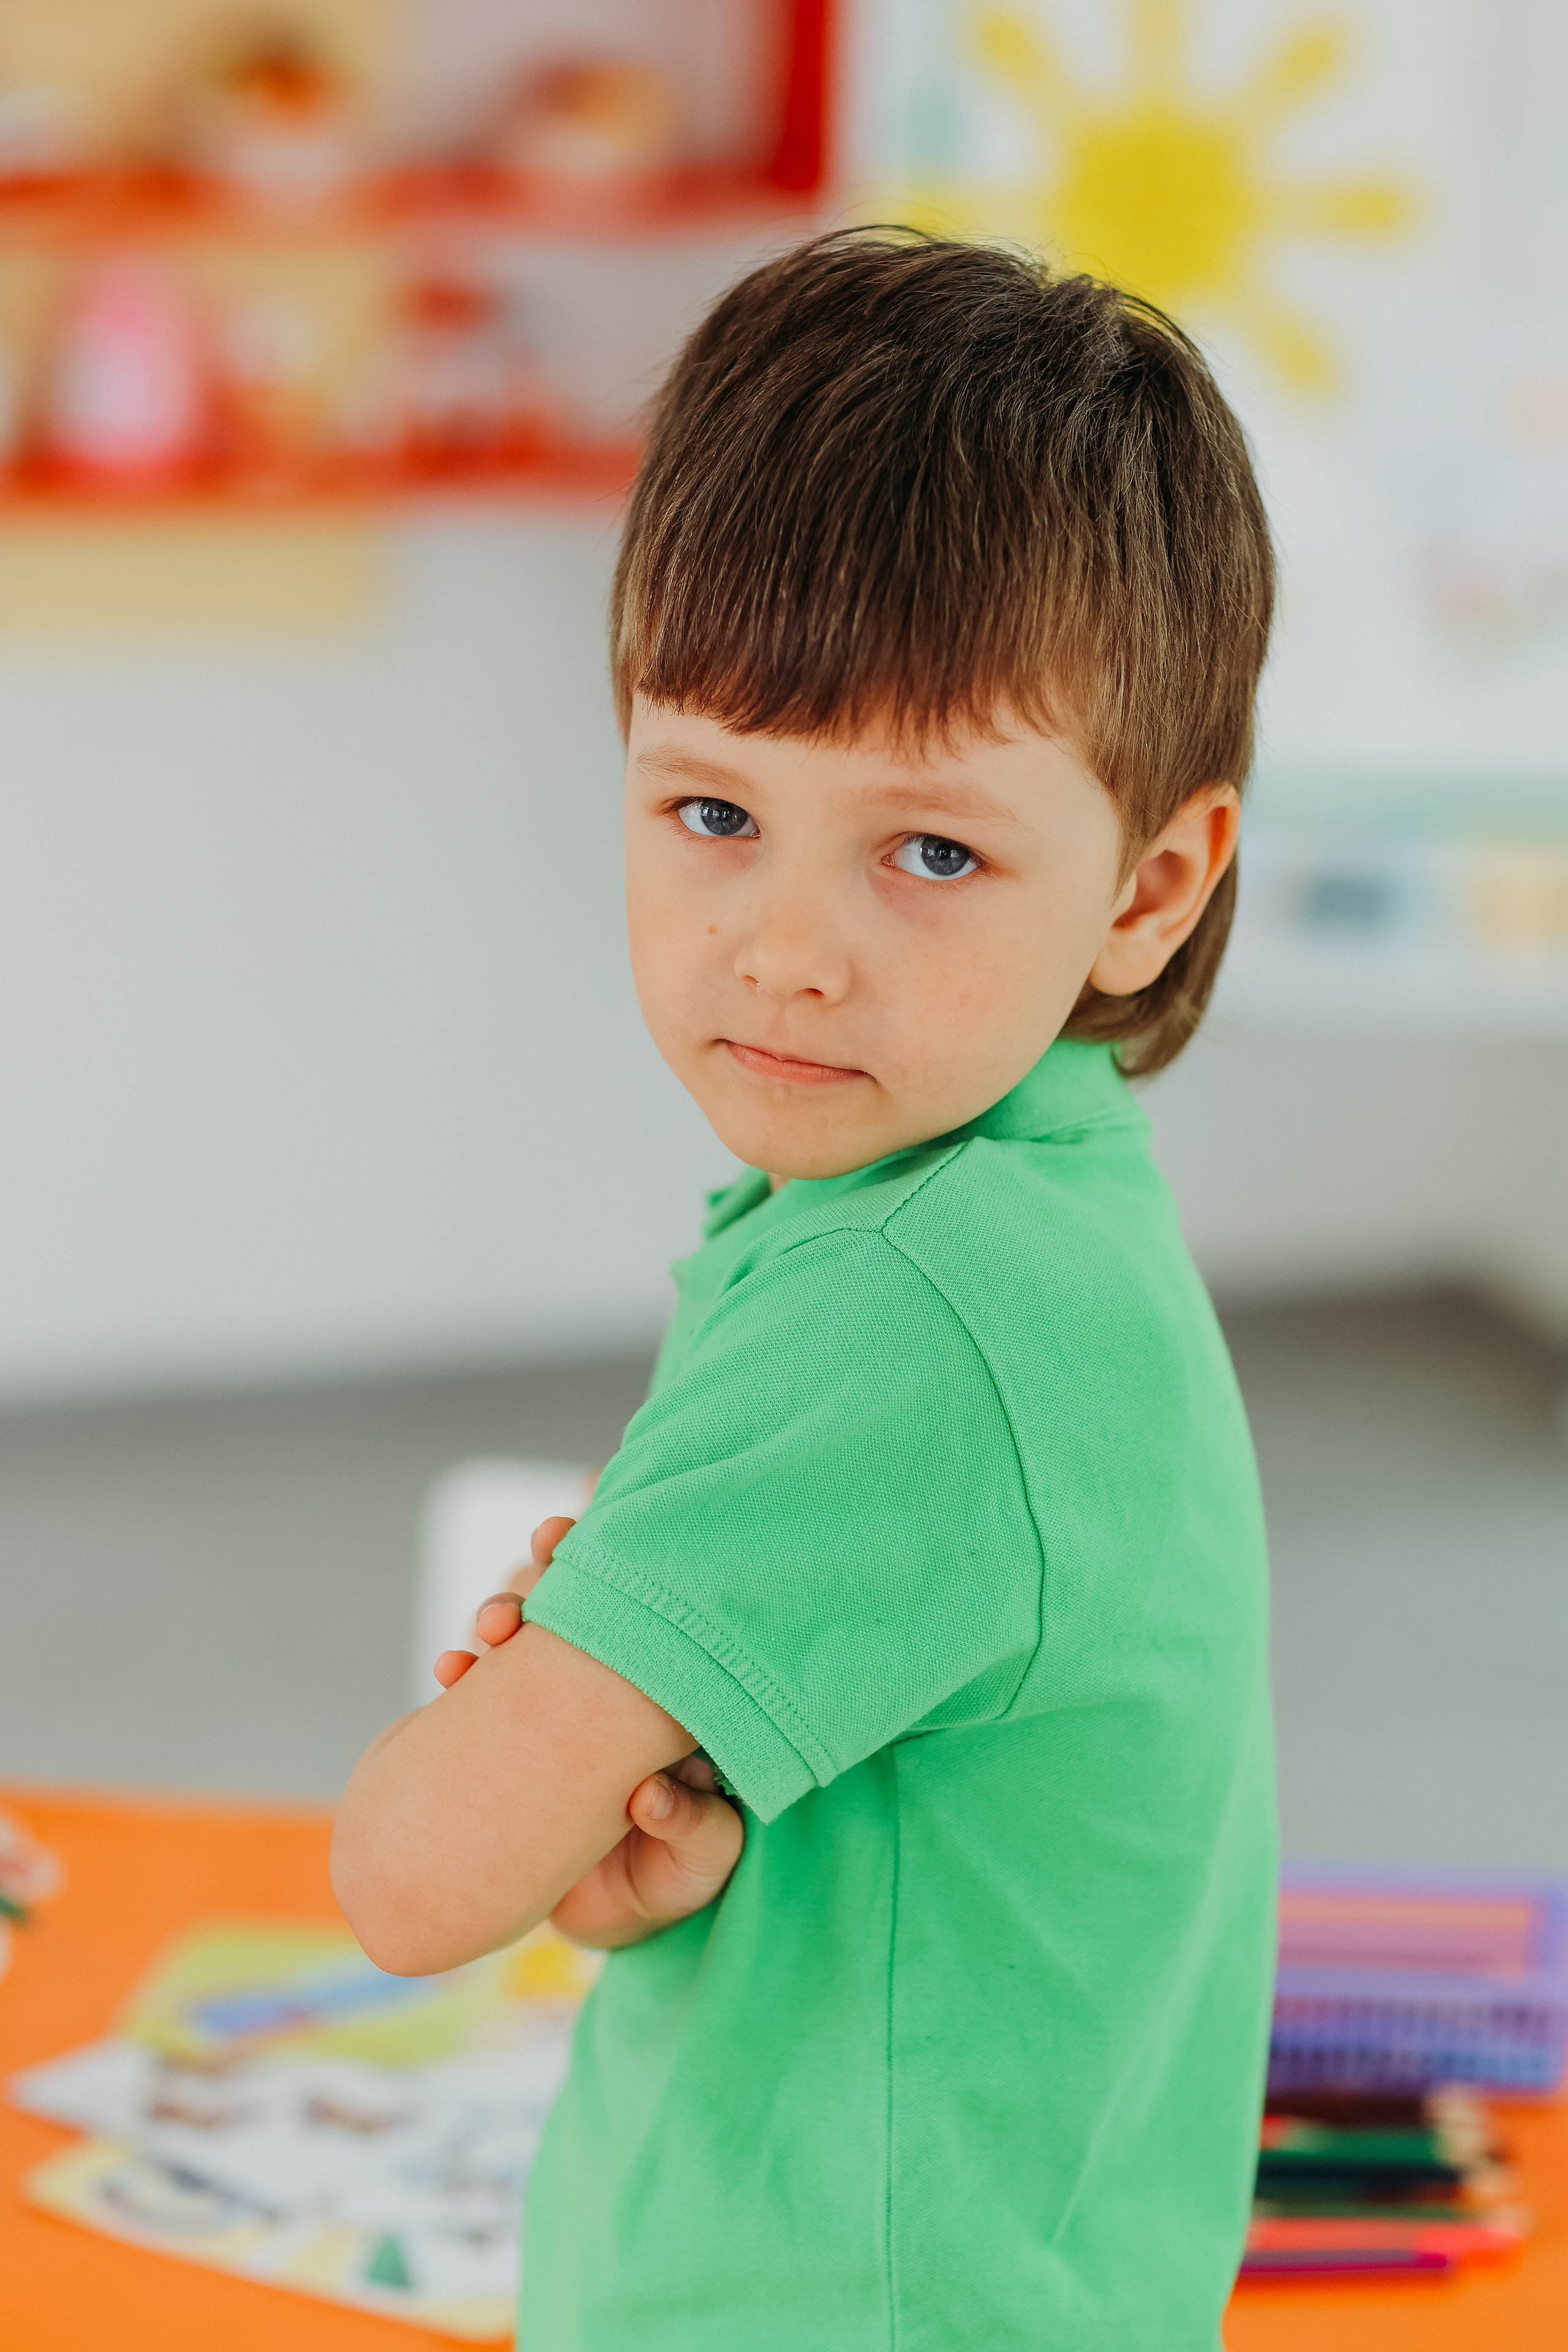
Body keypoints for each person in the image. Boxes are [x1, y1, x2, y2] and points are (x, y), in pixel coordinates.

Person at [332, 230, 1278, 2350]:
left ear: (1149, 886)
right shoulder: (1048, 1212)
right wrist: (652, 1776)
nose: (785, 946)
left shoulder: (914, 1319)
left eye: (929, 853)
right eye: (712, 809)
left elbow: (414, 1881)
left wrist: (517, 1745)